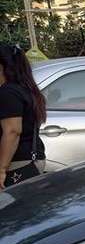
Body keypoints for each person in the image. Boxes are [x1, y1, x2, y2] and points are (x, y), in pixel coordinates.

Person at [0, 43, 46, 189]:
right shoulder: (25, 89)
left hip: (17, 164)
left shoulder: (8, 92)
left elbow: (12, 131)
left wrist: (1, 169)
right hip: (28, 158)